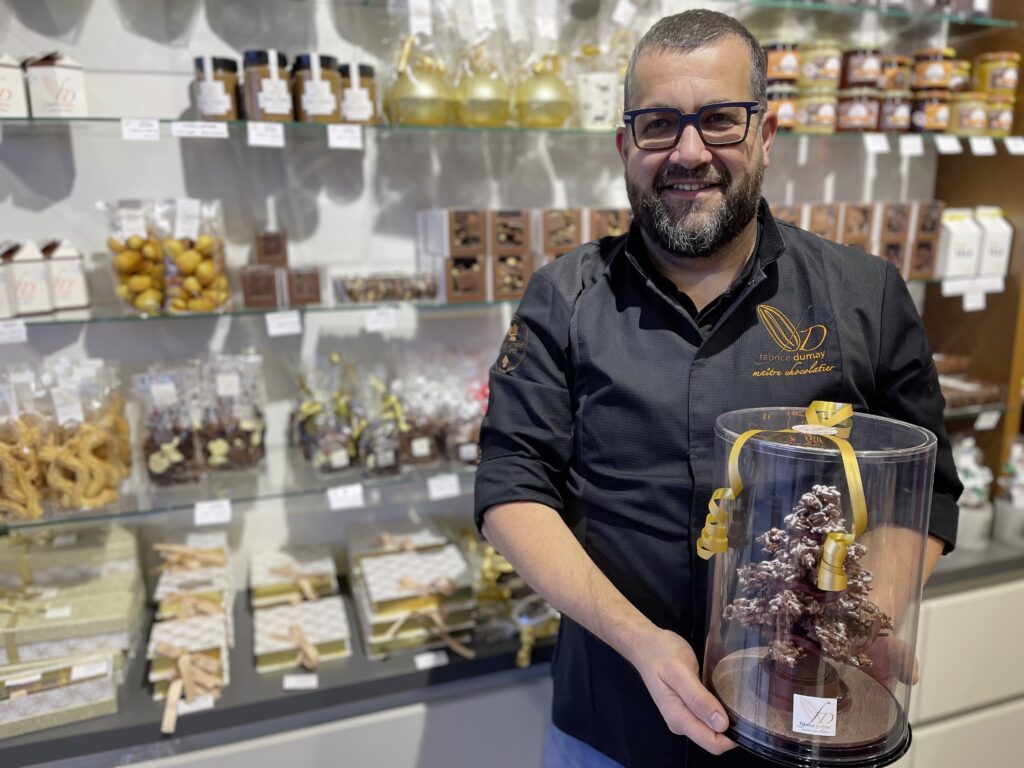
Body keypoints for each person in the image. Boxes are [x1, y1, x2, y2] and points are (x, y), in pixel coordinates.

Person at [474, 9, 961, 768]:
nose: (689, 151)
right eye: (659, 124)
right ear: (624, 146)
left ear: (766, 136)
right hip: (610, 719)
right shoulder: (562, 296)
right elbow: (511, 487)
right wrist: (640, 642)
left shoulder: (864, 294)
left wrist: (849, 626)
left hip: (808, 718)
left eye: (720, 121)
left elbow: (925, 492)